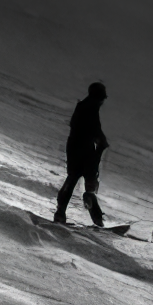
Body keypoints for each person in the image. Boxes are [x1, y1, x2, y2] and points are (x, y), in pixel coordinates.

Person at [55, 81, 109, 225]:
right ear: (98, 97)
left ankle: (60, 212)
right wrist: (102, 142)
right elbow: (94, 129)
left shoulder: (83, 106)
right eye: (102, 98)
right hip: (86, 150)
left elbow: (77, 126)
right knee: (88, 186)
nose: (103, 101)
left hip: (74, 147)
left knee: (71, 179)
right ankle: (98, 220)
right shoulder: (92, 108)